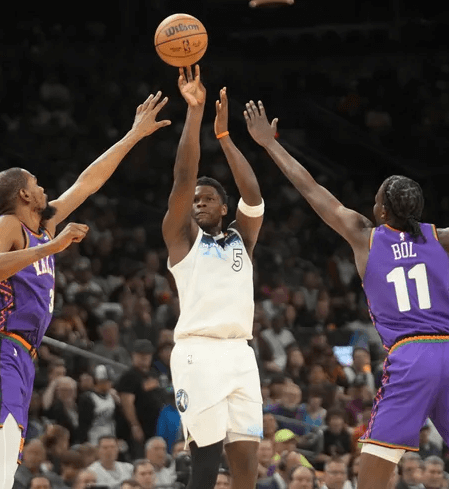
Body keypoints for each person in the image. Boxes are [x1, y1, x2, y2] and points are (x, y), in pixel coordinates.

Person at [243, 99, 449, 489]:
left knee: (377, 463)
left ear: (384, 213)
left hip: (411, 353)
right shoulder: (445, 237)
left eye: (375, 201)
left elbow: (311, 189)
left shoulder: (365, 237)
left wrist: (270, 144)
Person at [0, 91, 170, 489]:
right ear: (23, 194)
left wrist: (133, 135)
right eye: (36, 184)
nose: (44, 189)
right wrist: (51, 248)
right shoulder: (8, 226)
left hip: (19, 356)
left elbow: (87, 183)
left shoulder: (43, 225)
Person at [162, 66, 265, 489]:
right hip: (198, 354)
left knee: (246, 468)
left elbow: (254, 195)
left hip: (241, 354)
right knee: (204, 467)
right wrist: (195, 112)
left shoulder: (242, 238)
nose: (199, 203)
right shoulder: (182, 241)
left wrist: (225, 137)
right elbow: (184, 176)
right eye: (196, 201)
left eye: (209, 199)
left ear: (224, 208)